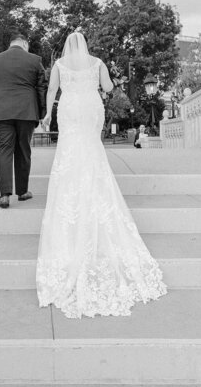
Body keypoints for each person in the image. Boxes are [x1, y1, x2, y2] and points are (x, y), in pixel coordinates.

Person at [36, 32, 166, 319]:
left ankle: (72, 195)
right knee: (92, 148)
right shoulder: (97, 62)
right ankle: (94, 190)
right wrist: (111, 79)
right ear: (85, 46)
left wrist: (47, 114)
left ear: (69, 46)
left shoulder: (58, 64)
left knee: (70, 150)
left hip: (69, 107)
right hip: (90, 106)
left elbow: (51, 92)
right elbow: (108, 88)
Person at [0, 31, 47, 208]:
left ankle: (4, 195)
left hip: (0, 112)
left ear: (11, 44)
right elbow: (41, 88)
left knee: (5, 150)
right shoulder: (34, 60)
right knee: (23, 150)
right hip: (26, 112)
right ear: (24, 44)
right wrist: (41, 113)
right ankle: (23, 192)